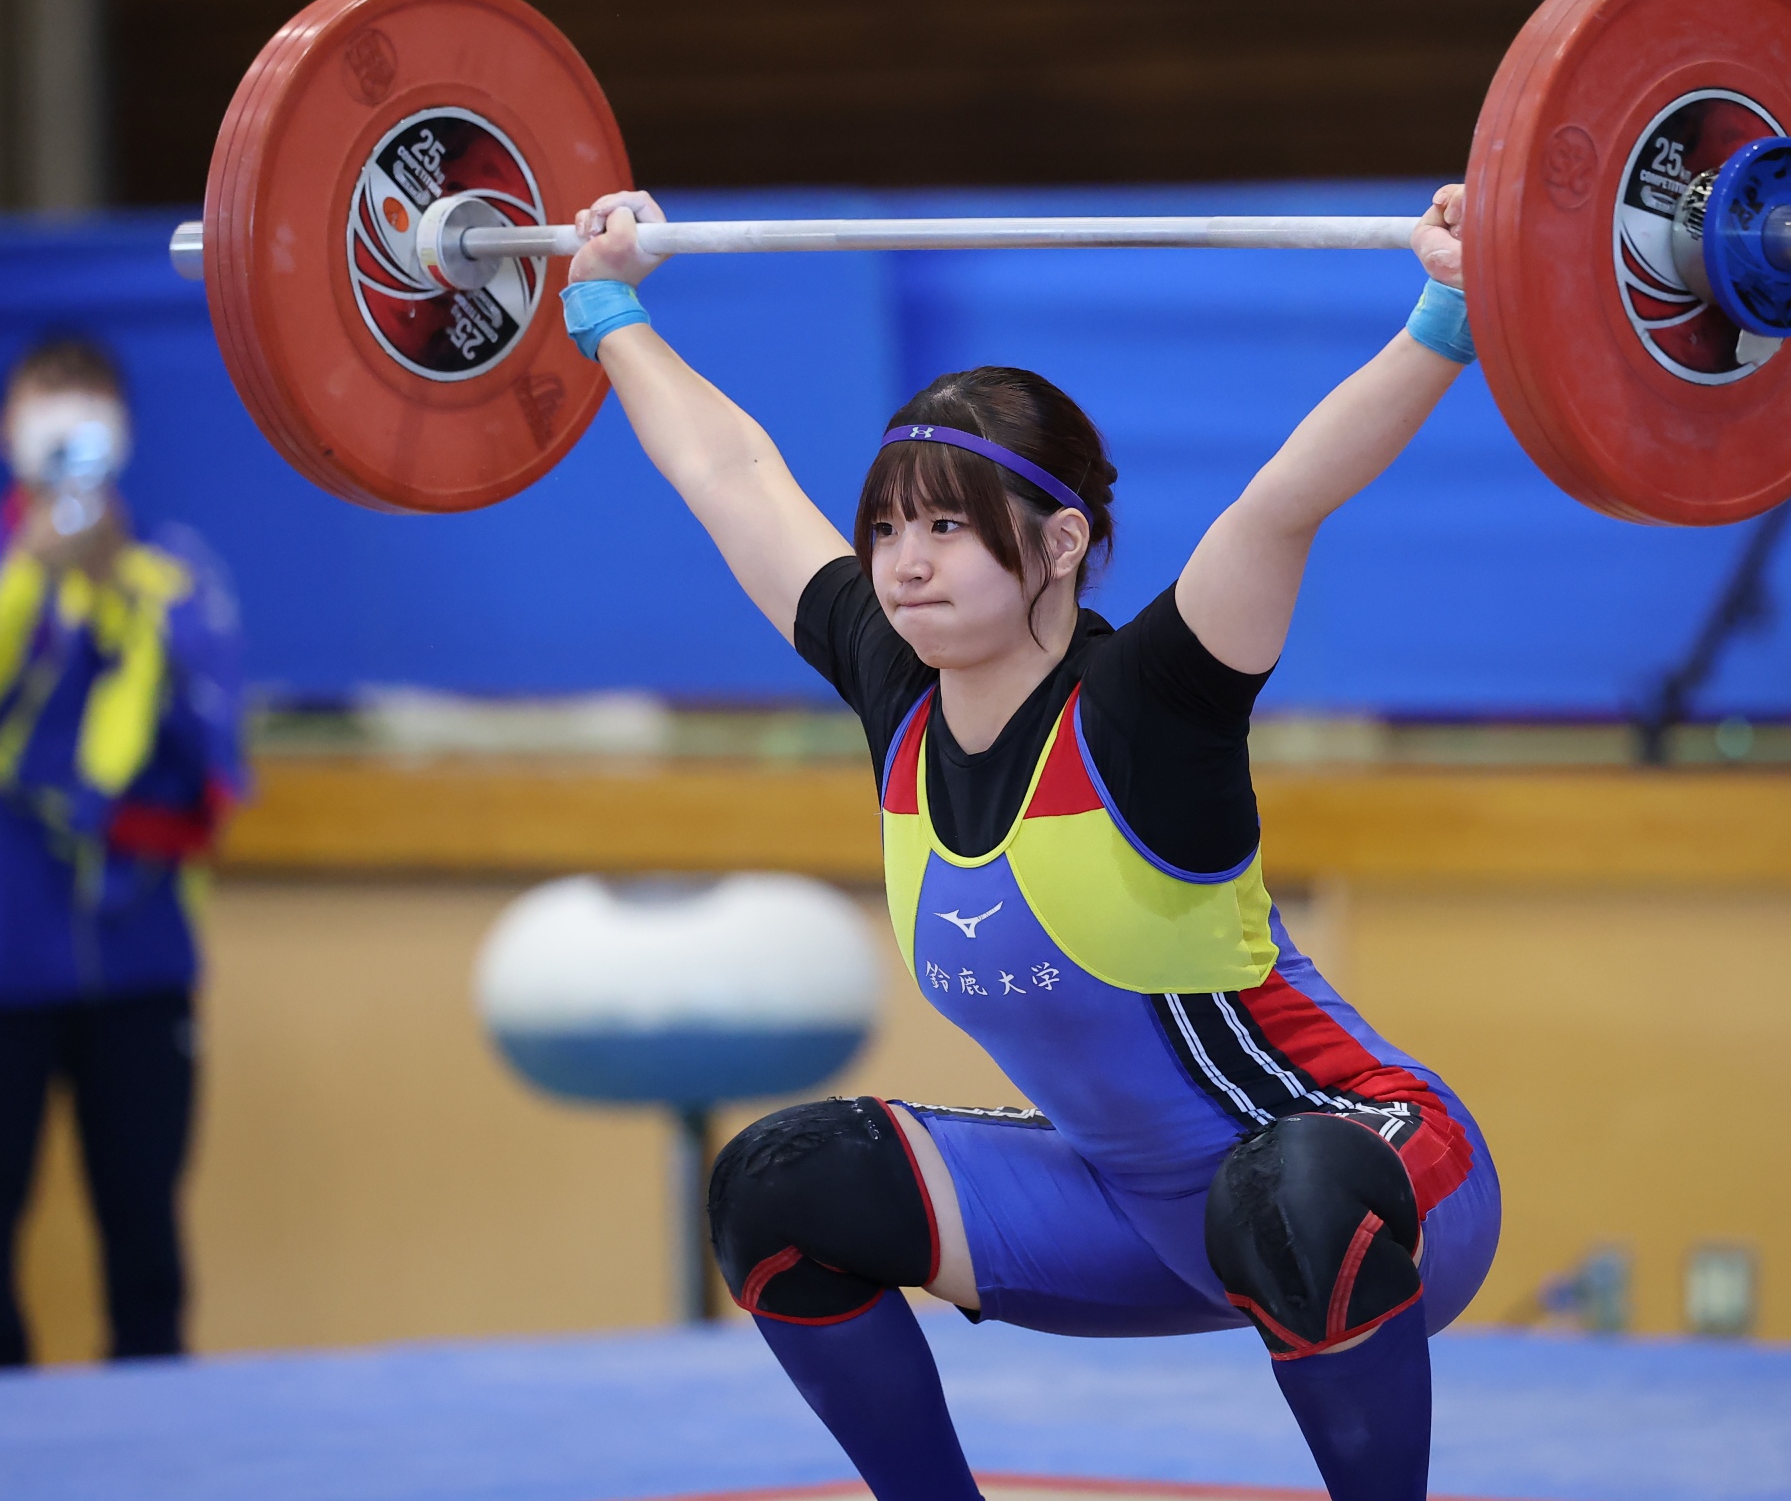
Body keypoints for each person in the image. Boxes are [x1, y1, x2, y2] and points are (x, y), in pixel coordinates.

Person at [561, 184, 1498, 1500]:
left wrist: (1448, 313)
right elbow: (732, 479)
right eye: (888, 526)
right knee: (778, 1187)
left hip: (1373, 1183)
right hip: (1128, 1218)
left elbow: (1283, 503)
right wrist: (608, 310)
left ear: (1061, 542)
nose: (904, 562)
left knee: (1282, 1195)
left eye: (947, 525)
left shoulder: (1150, 705)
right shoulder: (892, 684)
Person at [0, 336, 246, 1370]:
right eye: (47, 400)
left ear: (123, 431)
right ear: (3, 428)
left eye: (89, 400)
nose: (69, 420)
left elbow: (211, 745)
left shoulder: (172, 570)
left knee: (147, 1255)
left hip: (141, 961)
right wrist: (29, 578)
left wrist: (122, 594)